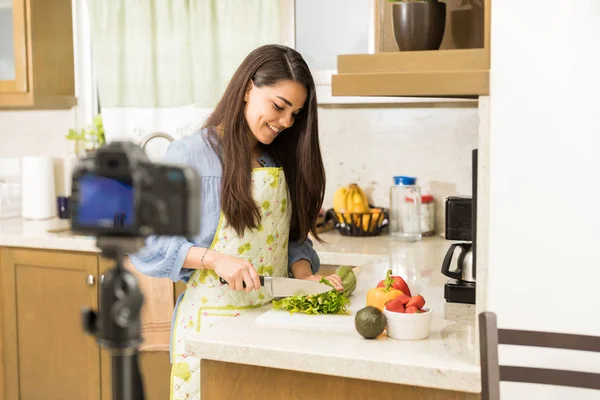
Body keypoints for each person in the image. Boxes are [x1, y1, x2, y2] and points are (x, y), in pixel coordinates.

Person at [128, 44, 344, 400]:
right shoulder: (189, 155)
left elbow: (290, 239)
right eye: (279, 106)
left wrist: (305, 278)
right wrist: (212, 259)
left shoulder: (279, 158)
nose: (286, 122)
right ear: (247, 89)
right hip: (209, 333)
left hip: (273, 324)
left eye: (295, 113)